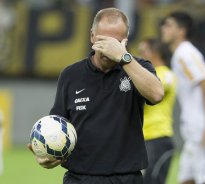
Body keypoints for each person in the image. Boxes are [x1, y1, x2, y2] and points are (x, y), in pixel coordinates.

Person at [29, 7, 164, 184]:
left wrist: (124, 58)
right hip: (80, 178)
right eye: (102, 40)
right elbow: (57, 124)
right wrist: (48, 152)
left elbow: (156, 94)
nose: (108, 47)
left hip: (127, 178)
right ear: (92, 36)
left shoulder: (139, 68)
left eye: (115, 42)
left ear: (125, 41)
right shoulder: (71, 74)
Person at [161, 11, 205, 184]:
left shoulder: (184, 54)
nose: (163, 28)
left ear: (181, 31)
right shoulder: (183, 54)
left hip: (204, 130)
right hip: (196, 132)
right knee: (187, 179)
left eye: (169, 25)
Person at [138, 38, 176, 184]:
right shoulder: (144, 76)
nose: (139, 55)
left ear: (155, 53)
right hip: (142, 139)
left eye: (143, 51)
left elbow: (156, 88)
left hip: (158, 137)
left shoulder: (166, 74)